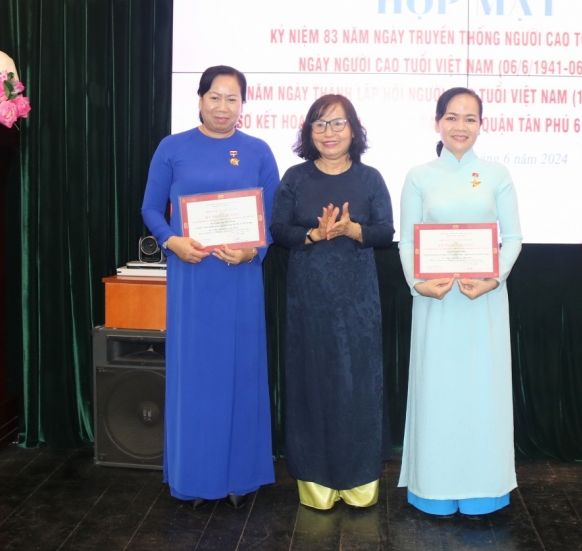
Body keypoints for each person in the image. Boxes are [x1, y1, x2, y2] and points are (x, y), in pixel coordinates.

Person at [141, 65, 280, 508]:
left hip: (240, 279)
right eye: (214, 97)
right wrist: (172, 241)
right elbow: (150, 209)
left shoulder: (258, 151)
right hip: (192, 277)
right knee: (196, 379)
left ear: (243, 104)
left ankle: (240, 477)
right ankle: (194, 478)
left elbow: (273, 219)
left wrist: (253, 251)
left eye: (232, 99)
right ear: (200, 100)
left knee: (241, 376)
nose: (223, 107)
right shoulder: (172, 147)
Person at [397, 87, 523, 517]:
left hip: (483, 302)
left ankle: (484, 489)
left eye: (470, 118)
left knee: (481, 392)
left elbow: (513, 238)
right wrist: (418, 284)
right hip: (435, 301)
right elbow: (408, 240)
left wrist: (493, 278)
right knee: (437, 392)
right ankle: (432, 487)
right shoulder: (419, 176)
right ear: (437, 123)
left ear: (481, 125)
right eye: (451, 117)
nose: (460, 126)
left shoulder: (496, 174)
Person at [269, 95, 394, 510]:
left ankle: (358, 479)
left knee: (357, 384)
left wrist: (354, 230)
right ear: (309, 132)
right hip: (309, 298)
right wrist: (313, 235)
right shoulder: (295, 177)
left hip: (359, 301)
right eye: (320, 124)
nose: (329, 132)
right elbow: (278, 229)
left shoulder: (370, 178)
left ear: (354, 130)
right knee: (312, 381)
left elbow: (386, 232)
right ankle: (315, 479)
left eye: (338, 123)